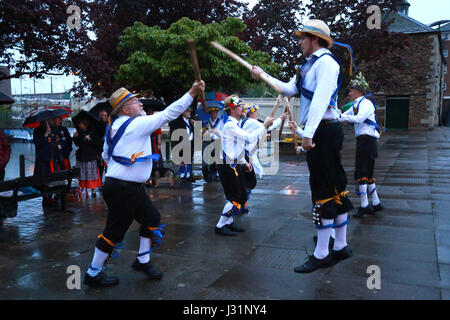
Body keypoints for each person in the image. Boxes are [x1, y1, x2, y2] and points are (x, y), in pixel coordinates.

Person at [251, 19, 354, 273]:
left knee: (325, 190)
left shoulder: (327, 63)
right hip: (322, 131)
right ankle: (340, 247)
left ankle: (323, 254)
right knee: (334, 186)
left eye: (302, 38)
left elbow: (319, 101)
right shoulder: (307, 66)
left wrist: (308, 134)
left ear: (314, 39)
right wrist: (262, 74)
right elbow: (288, 90)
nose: (299, 43)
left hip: (323, 131)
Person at [83, 81, 205, 287]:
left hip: (126, 187)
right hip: (123, 189)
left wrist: (120, 170)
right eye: (134, 101)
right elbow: (168, 114)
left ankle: (142, 261)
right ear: (125, 109)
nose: (140, 103)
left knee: (151, 219)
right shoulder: (135, 124)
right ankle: (92, 273)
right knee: (114, 232)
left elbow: (106, 154)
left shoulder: (114, 126)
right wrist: (192, 92)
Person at [215, 95, 274, 236]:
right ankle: (220, 226)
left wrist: (245, 162)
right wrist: (265, 125)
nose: (242, 108)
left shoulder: (234, 125)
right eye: (239, 106)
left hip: (234, 164)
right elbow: (249, 139)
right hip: (226, 165)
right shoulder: (230, 126)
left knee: (241, 196)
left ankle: (229, 222)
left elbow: (236, 149)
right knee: (235, 197)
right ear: (232, 109)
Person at [339, 72, 383, 217]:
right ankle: (375, 203)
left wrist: (342, 116)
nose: (349, 93)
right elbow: (345, 118)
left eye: (351, 90)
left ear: (358, 91)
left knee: (362, 172)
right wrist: (336, 114)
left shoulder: (366, 104)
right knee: (367, 172)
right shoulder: (357, 104)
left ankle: (364, 205)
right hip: (364, 141)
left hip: (367, 141)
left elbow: (358, 119)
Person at [73, 118, 103, 198]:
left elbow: (98, 143)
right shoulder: (79, 132)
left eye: (80, 124)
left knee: (91, 174)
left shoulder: (93, 132)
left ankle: (93, 191)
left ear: (84, 124)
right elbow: (78, 144)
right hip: (82, 156)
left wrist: (90, 139)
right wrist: (75, 137)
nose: (79, 125)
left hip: (90, 156)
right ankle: (84, 190)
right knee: (83, 174)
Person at [169, 107, 195, 182]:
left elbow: (197, 131)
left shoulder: (191, 121)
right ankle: (182, 175)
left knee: (189, 160)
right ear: (183, 112)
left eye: (190, 111)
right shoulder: (178, 121)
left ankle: (188, 175)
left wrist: (194, 124)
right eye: (188, 111)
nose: (189, 113)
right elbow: (172, 126)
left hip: (190, 142)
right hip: (182, 143)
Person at [201, 101, 224, 182]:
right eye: (212, 112)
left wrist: (216, 132)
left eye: (215, 112)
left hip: (217, 142)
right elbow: (202, 134)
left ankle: (217, 175)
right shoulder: (206, 123)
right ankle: (207, 176)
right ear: (210, 113)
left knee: (217, 160)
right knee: (206, 161)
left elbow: (223, 134)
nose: (214, 114)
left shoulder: (221, 122)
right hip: (208, 143)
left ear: (217, 113)